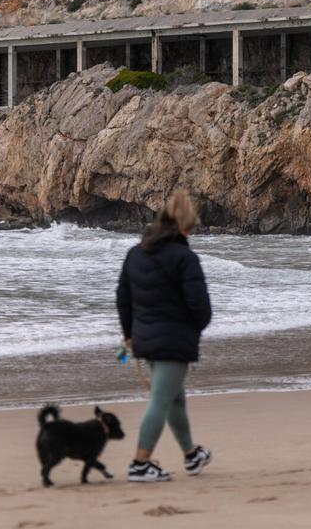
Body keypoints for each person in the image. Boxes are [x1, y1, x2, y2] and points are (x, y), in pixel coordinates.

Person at [116, 190, 213, 482]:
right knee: (161, 399)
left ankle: (191, 455)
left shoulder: (135, 253)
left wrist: (129, 334)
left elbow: (123, 297)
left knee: (173, 398)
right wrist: (195, 328)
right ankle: (140, 464)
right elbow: (201, 307)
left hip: (144, 338)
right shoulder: (185, 258)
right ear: (185, 227)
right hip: (174, 341)